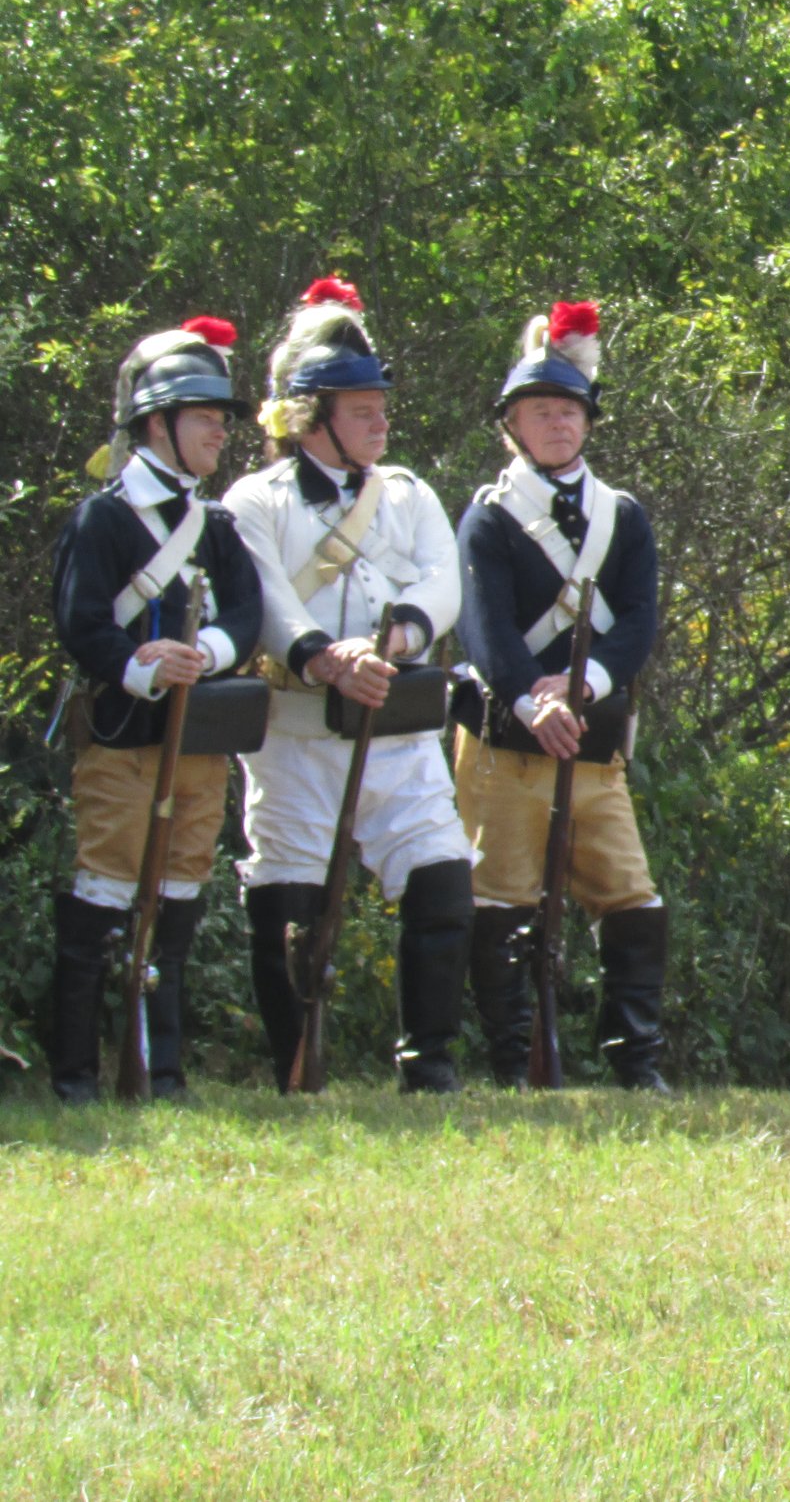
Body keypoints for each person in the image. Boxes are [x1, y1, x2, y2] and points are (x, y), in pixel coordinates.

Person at [224, 277, 476, 1092]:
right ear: (312, 416)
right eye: (361, 408)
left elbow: (445, 580)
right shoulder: (253, 502)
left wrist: (399, 635)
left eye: (380, 408)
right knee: (289, 902)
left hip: (397, 732)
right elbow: (266, 595)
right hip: (297, 732)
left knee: (441, 882)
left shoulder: (405, 493)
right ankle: (297, 1064)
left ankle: (427, 1062)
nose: (380, 421)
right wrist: (326, 656)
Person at [453, 301, 669, 1091]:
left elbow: (638, 619)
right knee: (503, 903)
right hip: (508, 745)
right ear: (512, 424)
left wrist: (586, 685)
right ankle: (515, 1061)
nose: (558, 423)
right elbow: (486, 631)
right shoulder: (488, 519)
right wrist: (527, 700)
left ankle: (634, 1062)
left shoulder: (623, 517)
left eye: (569, 409)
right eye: (541, 411)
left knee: (631, 899)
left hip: (594, 741)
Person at [46, 317, 264, 1102]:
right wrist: (141, 663)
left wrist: (204, 649)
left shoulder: (217, 525)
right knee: (103, 891)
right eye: (205, 417)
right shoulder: (102, 518)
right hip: (125, 737)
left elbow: (245, 611)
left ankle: (161, 1069)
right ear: (157, 422)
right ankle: (75, 1071)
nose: (218, 433)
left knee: (178, 893)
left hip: (199, 741)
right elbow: (81, 623)